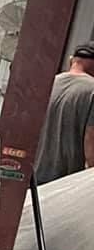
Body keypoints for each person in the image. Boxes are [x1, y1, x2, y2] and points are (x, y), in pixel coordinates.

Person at [34, 42, 94, 186]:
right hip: (64, 183)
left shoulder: (49, 83)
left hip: (34, 176)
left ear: (72, 60)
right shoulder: (92, 90)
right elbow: (90, 139)